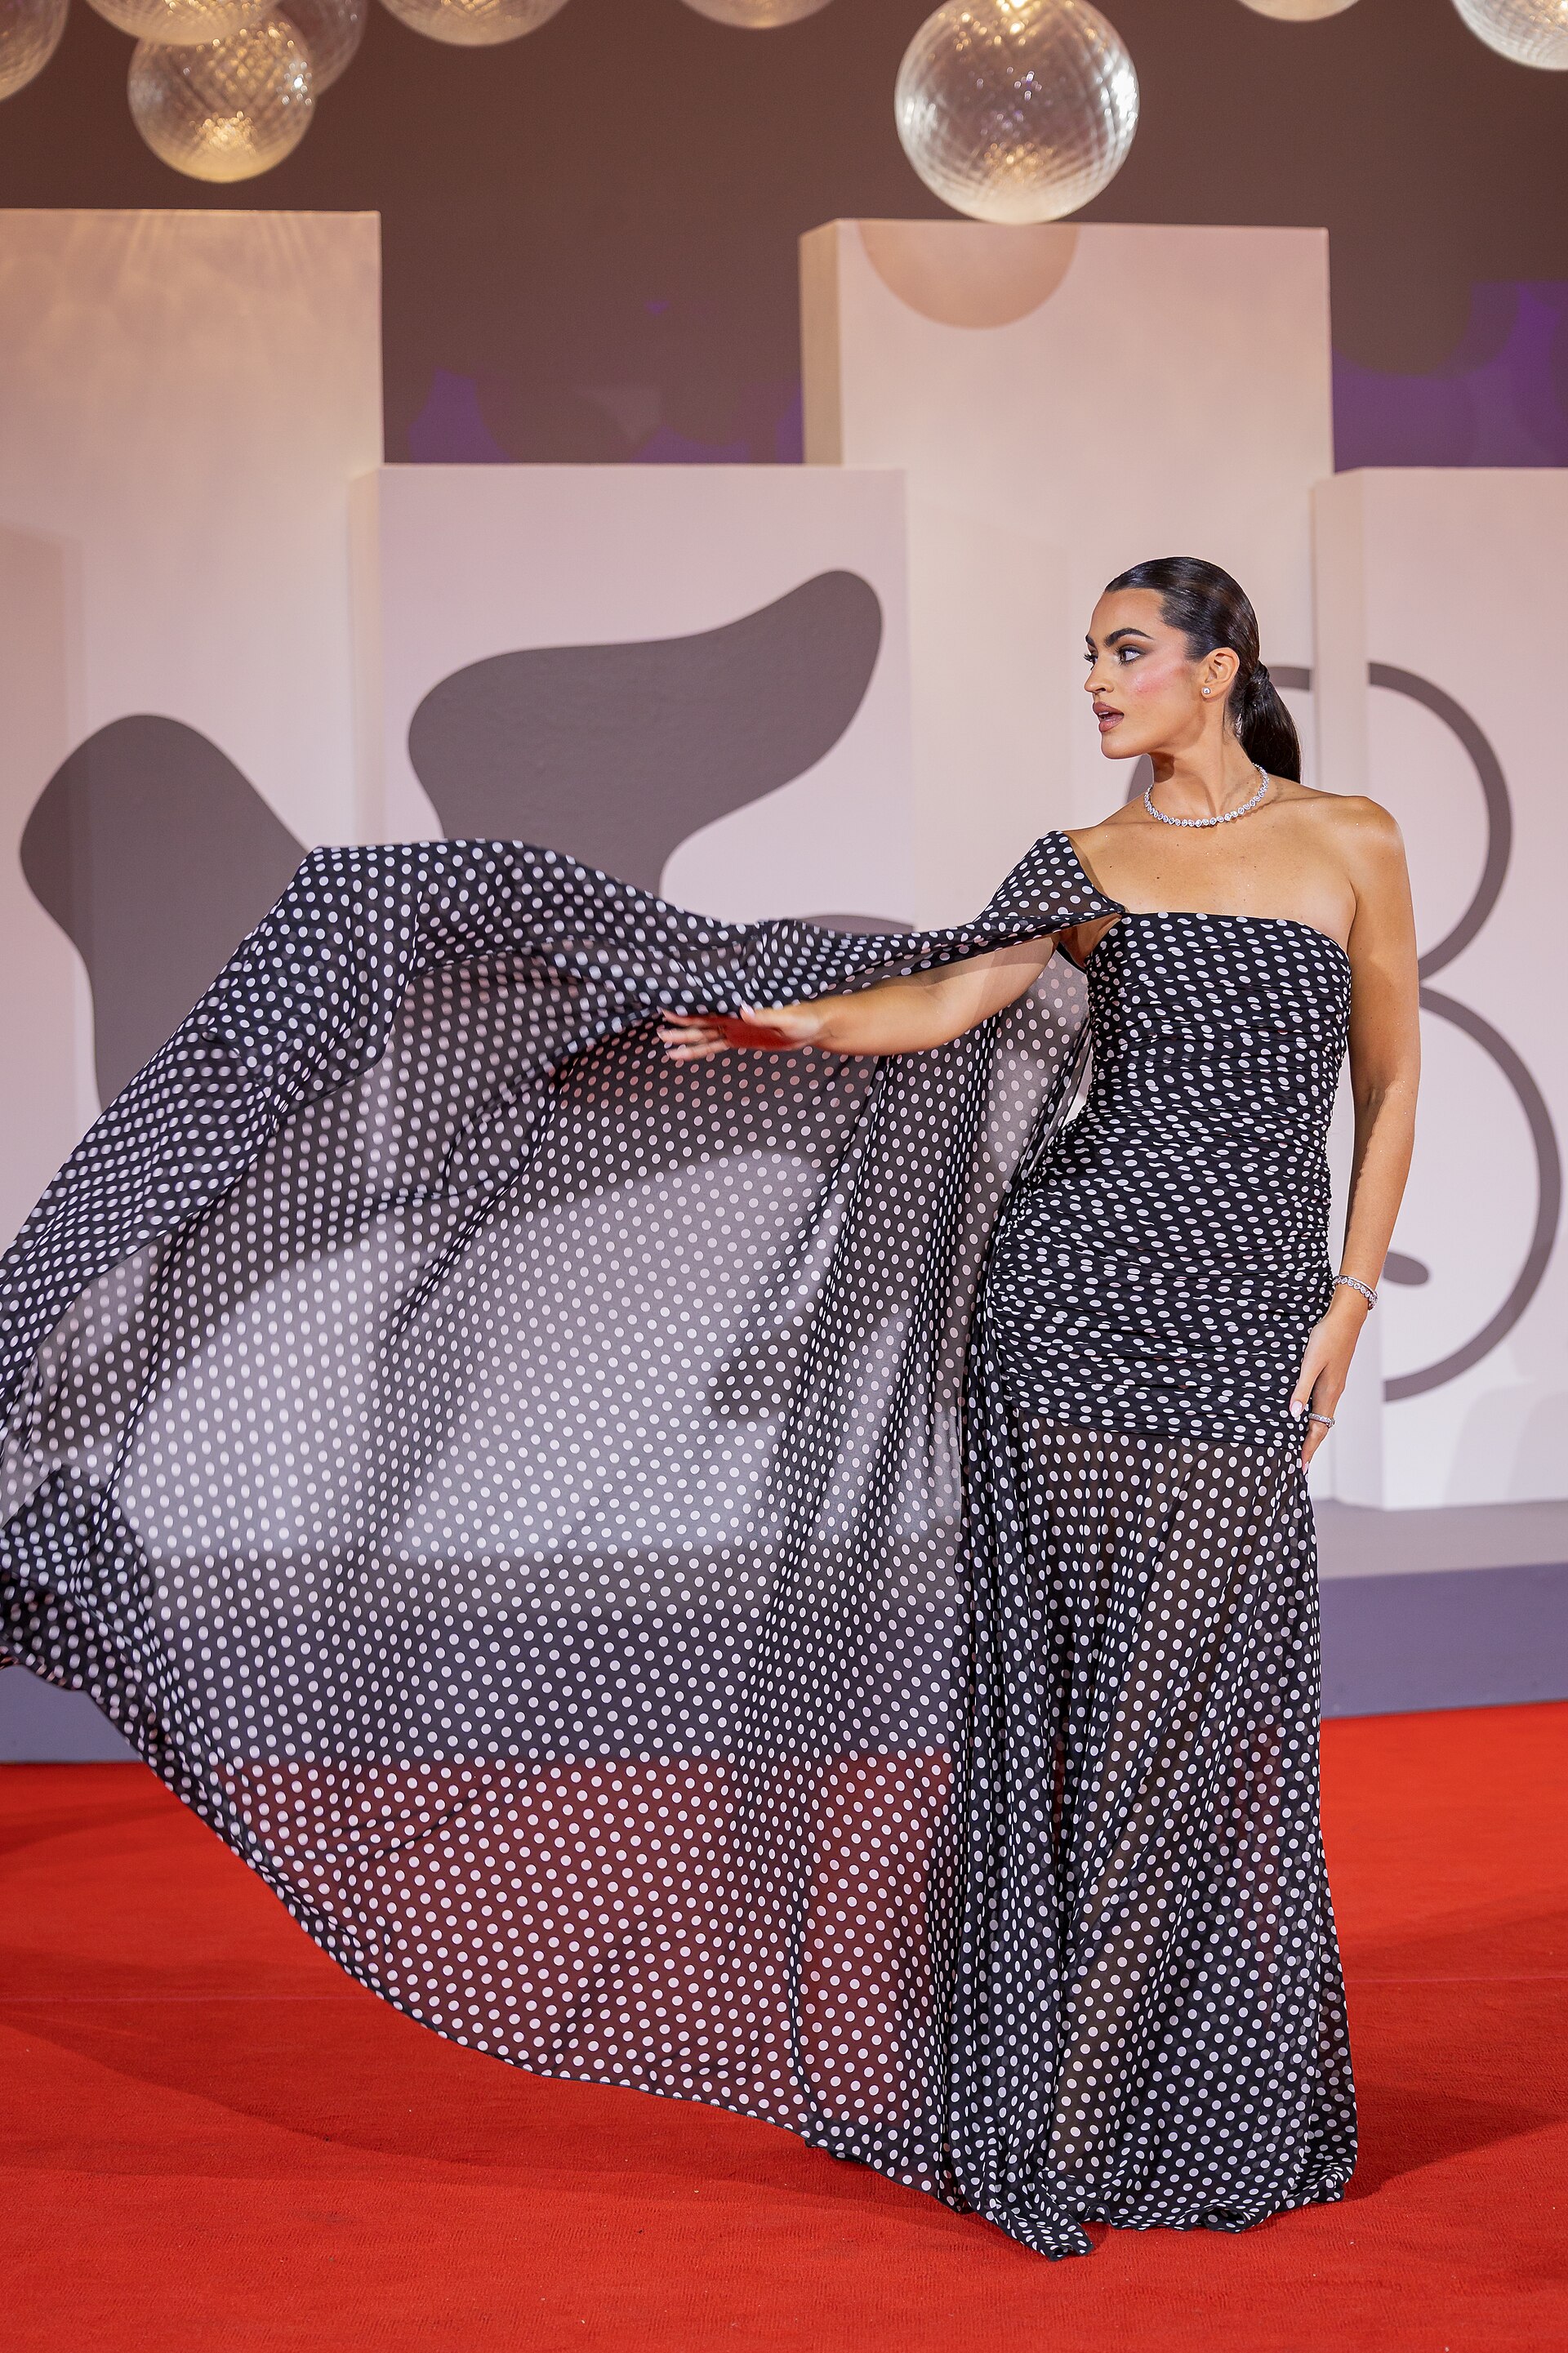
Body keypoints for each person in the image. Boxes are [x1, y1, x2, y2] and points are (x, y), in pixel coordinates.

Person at [0, 557, 1417, 2262]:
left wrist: (1348, 1295)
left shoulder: (1354, 840)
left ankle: (1130, 2096)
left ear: (1219, 666)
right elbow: (945, 1001)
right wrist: (784, 1022)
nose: (1098, 684)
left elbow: (1395, 1077)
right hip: (1067, 1303)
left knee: (1193, 1717)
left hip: (1245, 1311)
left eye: (1126, 654)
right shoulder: (1089, 864)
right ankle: (1058, 2128)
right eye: (1088, 657)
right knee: (1073, 1718)